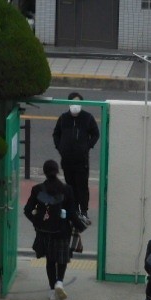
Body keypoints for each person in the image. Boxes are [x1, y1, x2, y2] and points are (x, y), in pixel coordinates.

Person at [23, 160, 87, 300]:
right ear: (57, 171)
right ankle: (59, 282)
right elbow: (72, 213)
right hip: (62, 231)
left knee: (50, 261)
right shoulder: (67, 189)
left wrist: (37, 222)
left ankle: (52, 290)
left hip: (44, 232)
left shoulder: (37, 189)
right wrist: (80, 226)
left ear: (44, 172)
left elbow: (27, 210)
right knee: (62, 259)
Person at [52, 92, 100, 226]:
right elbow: (56, 134)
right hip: (67, 160)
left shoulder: (87, 118)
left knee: (82, 186)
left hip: (82, 160)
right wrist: (60, 147)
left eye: (78, 102)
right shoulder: (63, 118)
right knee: (70, 186)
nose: (75, 105)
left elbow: (95, 134)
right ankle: (73, 211)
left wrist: (87, 147)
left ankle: (83, 211)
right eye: (73, 102)